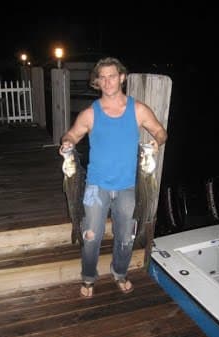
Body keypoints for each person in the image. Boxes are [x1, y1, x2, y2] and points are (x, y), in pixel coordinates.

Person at [59, 57, 168, 298]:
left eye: (112, 76)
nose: (107, 81)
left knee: (125, 238)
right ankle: (88, 277)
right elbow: (72, 134)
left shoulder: (138, 109)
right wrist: (66, 144)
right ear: (97, 82)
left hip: (128, 186)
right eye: (102, 77)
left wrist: (155, 143)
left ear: (122, 77)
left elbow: (160, 131)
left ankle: (120, 272)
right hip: (95, 186)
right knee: (90, 237)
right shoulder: (90, 113)